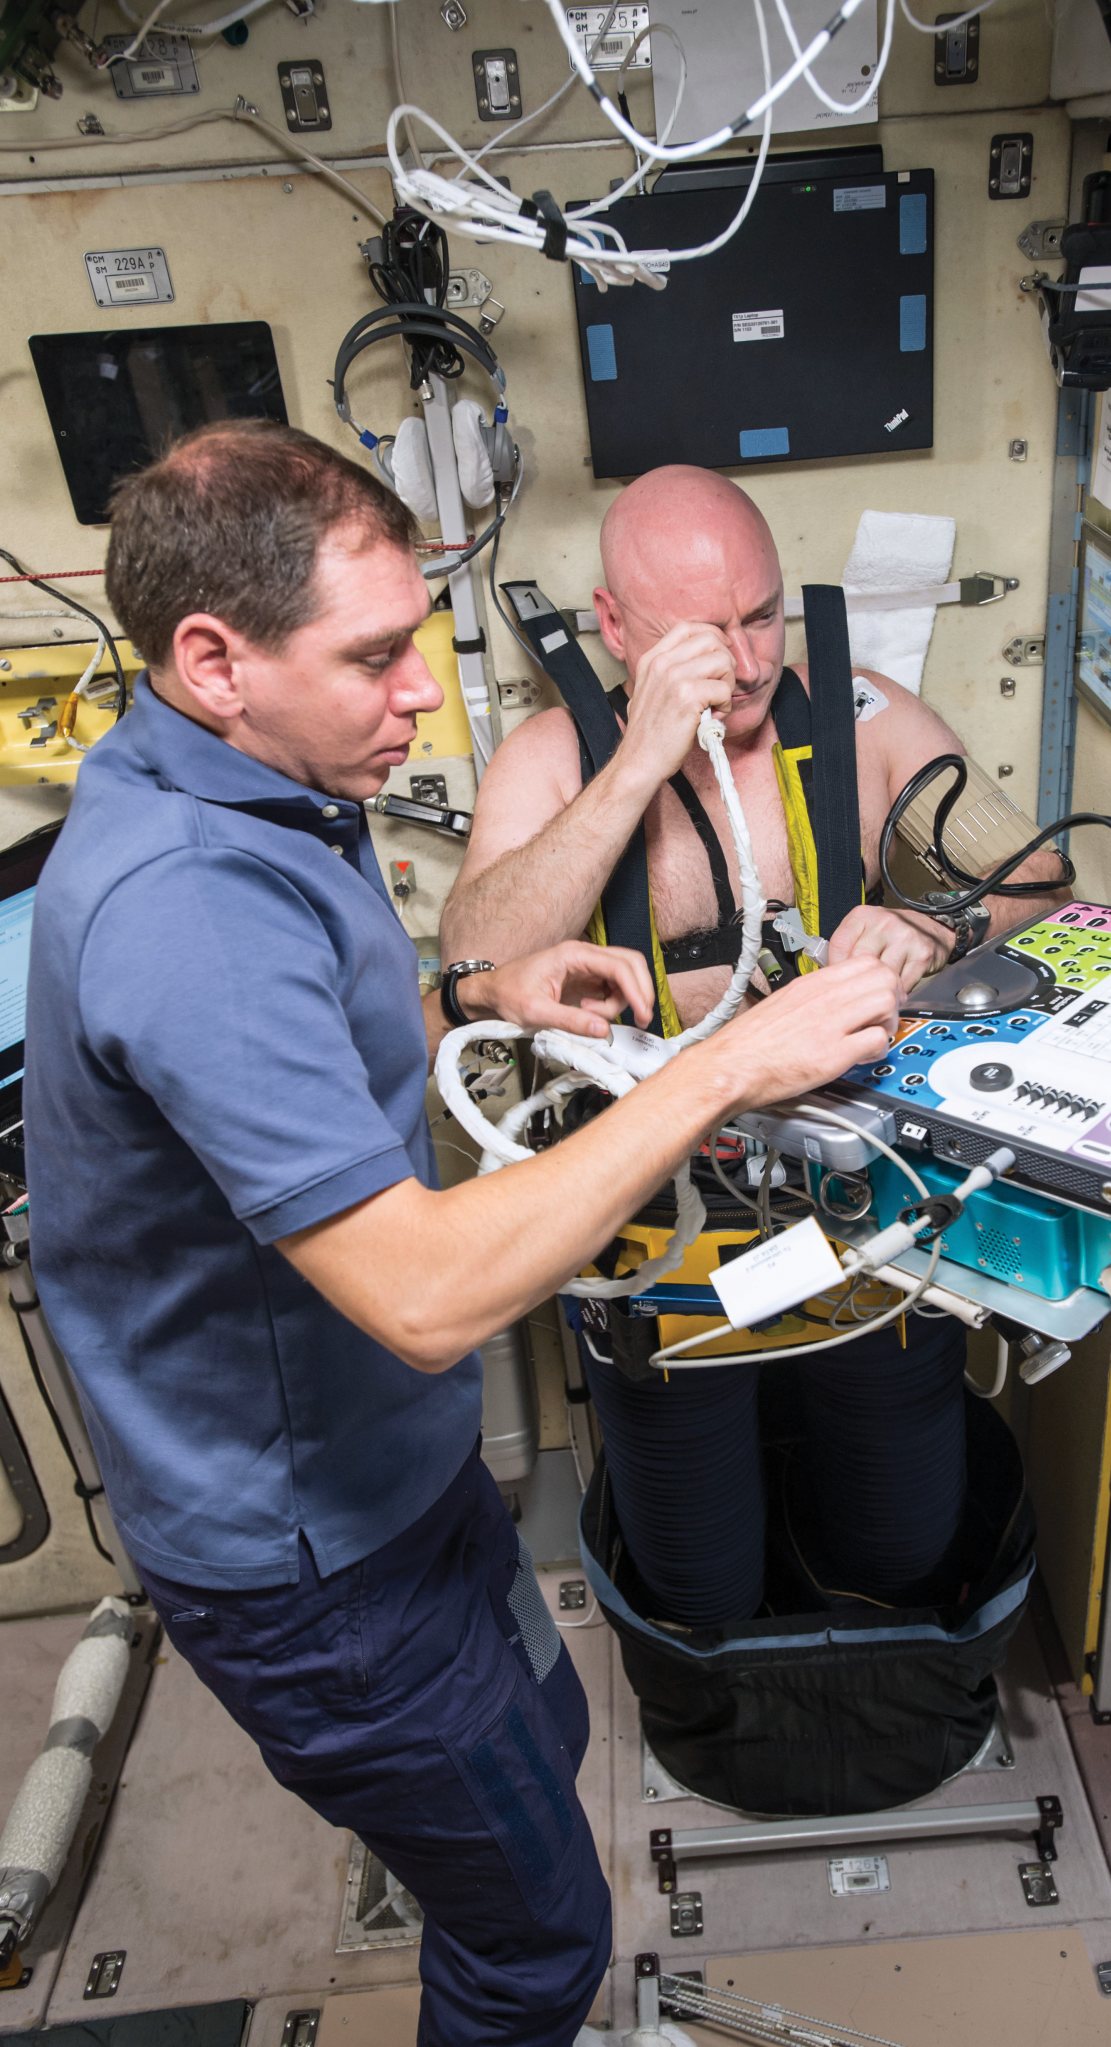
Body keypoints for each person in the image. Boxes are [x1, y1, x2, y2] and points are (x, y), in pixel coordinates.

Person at [21, 420, 901, 2047]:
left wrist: (470, 991)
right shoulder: (182, 909)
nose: (419, 688)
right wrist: (722, 1065)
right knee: (533, 1941)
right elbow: (423, 1295)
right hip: (314, 1565)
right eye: (371, 657)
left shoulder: (246, 786)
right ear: (212, 659)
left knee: (546, 1726)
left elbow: (299, 1034)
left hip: (396, 1484)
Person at [442, 465, 1069, 1629]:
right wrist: (637, 760)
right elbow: (473, 960)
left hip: (865, 1214)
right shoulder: (555, 759)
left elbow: (1040, 878)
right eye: (697, 635)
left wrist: (936, 923)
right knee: (699, 1574)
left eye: (760, 616)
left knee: (902, 1540)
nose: (740, 663)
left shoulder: (862, 716)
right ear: (616, 627)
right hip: (659, 1242)